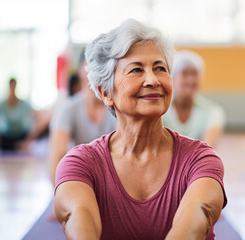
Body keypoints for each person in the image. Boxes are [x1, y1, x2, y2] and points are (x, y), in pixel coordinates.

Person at [54, 19, 227, 239]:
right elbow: (79, 218)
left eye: (160, 68)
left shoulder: (201, 159)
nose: (153, 80)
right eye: (136, 70)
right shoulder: (79, 164)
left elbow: (194, 220)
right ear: (106, 93)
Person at [48, 50, 117, 186]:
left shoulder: (117, 108)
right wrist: (62, 193)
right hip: (80, 178)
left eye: (101, 66)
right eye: (91, 66)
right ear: (80, 71)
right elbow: (57, 155)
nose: (96, 71)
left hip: (112, 180)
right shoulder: (68, 109)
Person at [162, 50, 225, 148]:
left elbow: (208, 150)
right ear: (172, 78)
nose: (190, 80)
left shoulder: (212, 111)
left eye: (195, 74)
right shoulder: (160, 111)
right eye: (185, 73)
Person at [0, 78, 45, 150]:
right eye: (11, 86)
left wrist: (30, 139)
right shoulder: (1, 104)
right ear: (9, 87)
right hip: (6, 137)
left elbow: (39, 117)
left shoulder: (23, 104)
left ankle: (21, 145)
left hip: (21, 136)